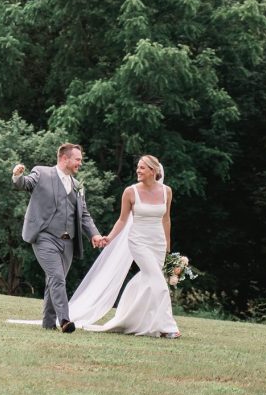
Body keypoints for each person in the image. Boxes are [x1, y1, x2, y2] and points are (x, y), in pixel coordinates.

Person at [67, 154, 181, 338]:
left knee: (148, 281)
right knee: (159, 283)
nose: (138, 170)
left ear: (153, 171)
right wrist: (108, 238)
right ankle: (169, 327)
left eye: (142, 168)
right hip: (138, 241)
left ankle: (130, 318)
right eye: (138, 167)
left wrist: (167, 245)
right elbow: (122, 220)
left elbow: (166, 219)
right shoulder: (130, 192)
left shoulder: (166, 191)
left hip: (157, 243)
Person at [12, 143, 105, 333]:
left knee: (54, 281)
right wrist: (17, 175)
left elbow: (84, 215)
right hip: (45, 237)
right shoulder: (42, 173)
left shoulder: (77, 185)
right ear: (65, 158)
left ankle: (48, 324)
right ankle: (65, 320)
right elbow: (25, 184)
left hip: (68, 242)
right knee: (57, 278)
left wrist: (94, 234)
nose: (80, 163)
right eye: (78, 159)